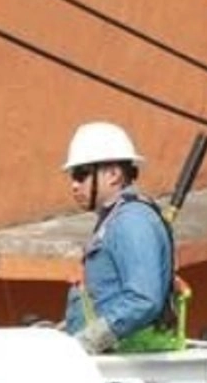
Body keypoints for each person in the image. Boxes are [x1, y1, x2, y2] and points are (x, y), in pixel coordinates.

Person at [61, 121, 174, 354]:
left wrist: (86, 342)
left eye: (81, 175)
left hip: (125, 366)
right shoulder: (116, 218)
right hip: (111, 360)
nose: (74, 185)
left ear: (113, 174)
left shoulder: (131, 221)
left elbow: (143, 300)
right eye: (72, 176)